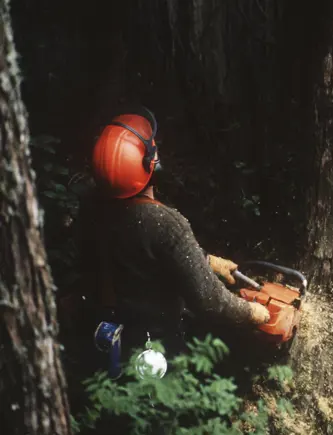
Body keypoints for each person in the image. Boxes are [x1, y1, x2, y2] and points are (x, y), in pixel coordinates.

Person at [76, 107, 270, 367]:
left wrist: (208, 260)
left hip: (105, 333)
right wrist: (251, 312)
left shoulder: (91, 208)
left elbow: (145, 253)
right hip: (155, 348)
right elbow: (210, 301)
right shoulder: (165, 224)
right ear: (149, 164)